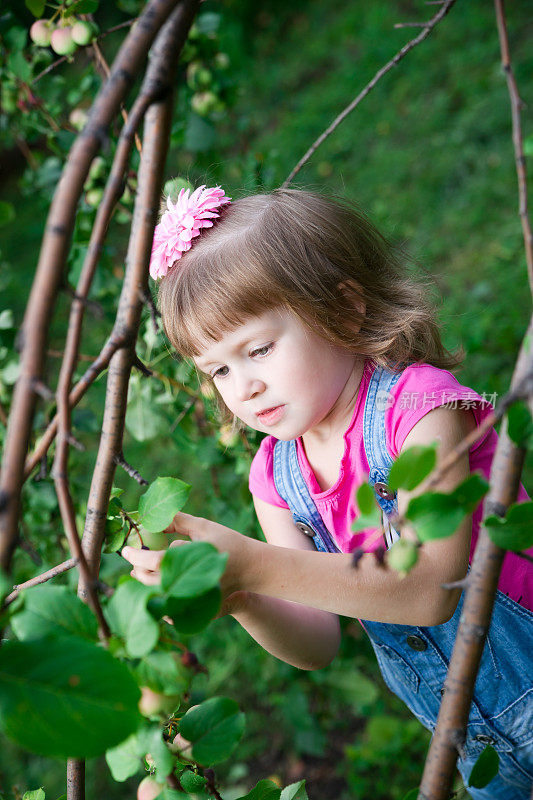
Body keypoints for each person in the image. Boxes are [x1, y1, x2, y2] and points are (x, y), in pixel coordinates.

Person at [122, 185, 533, 798]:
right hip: (473, 743)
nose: (244, 389)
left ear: (341, 311)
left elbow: (430, 592)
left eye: (258, 349)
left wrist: (258, 564)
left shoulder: (417, 410)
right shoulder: (276, 478)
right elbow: (315, 641)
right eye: (218, 371)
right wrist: (237, 592)